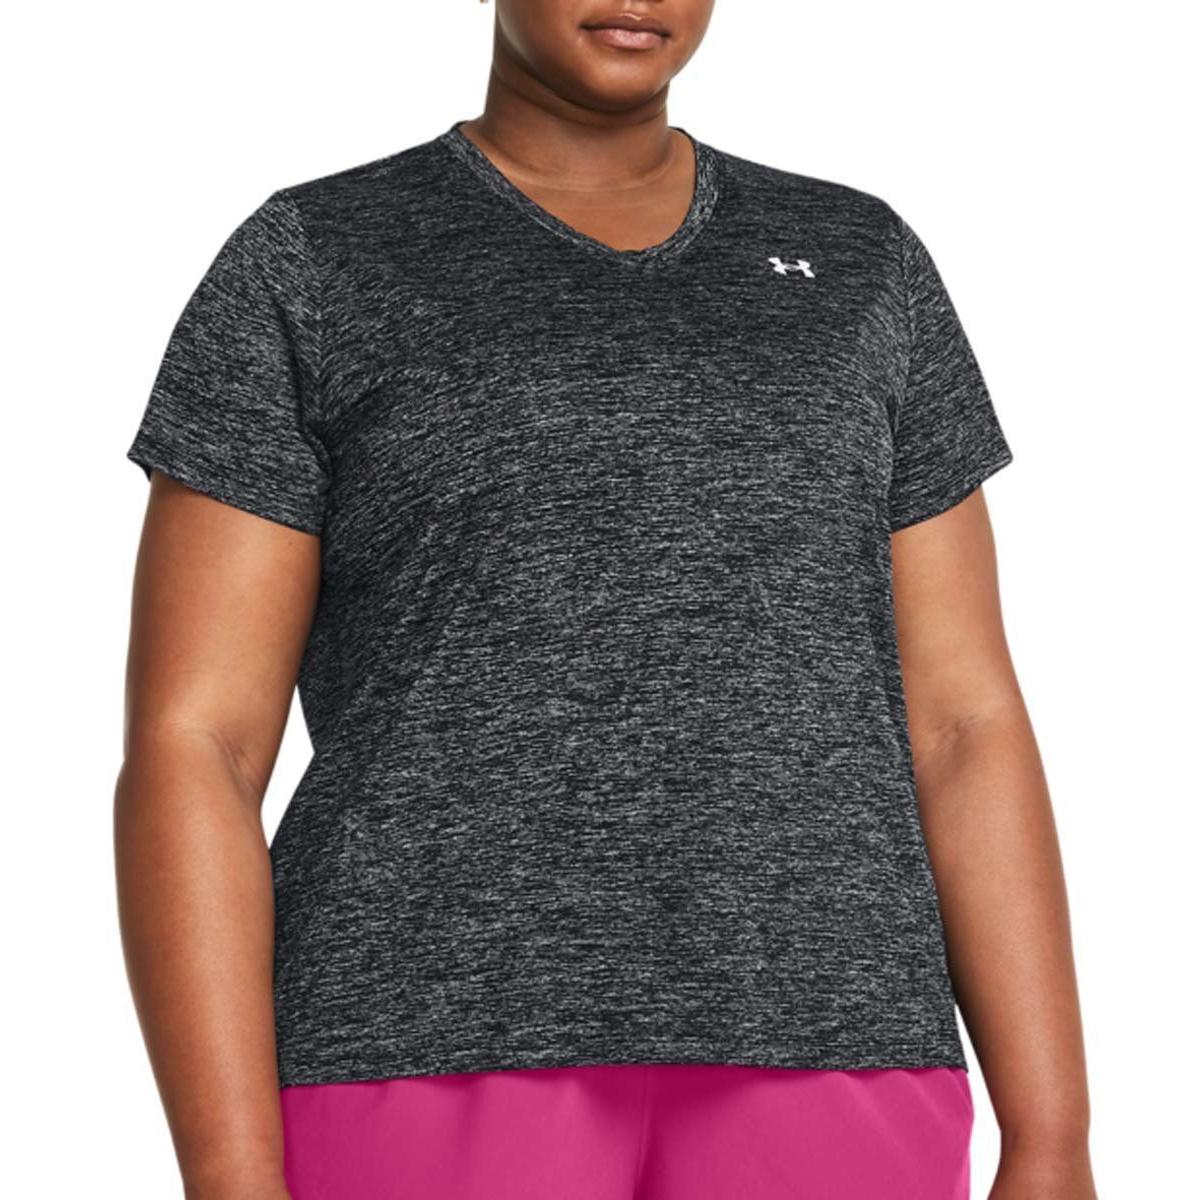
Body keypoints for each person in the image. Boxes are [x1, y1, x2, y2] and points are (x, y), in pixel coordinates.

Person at [114, 2, 1099, 1198]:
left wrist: (1052, 1138)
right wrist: (229, 1168)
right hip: (416, 1041)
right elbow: (198, 744)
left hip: (838, 1034)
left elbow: (964, 722)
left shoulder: (859, 260)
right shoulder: (317, 257)